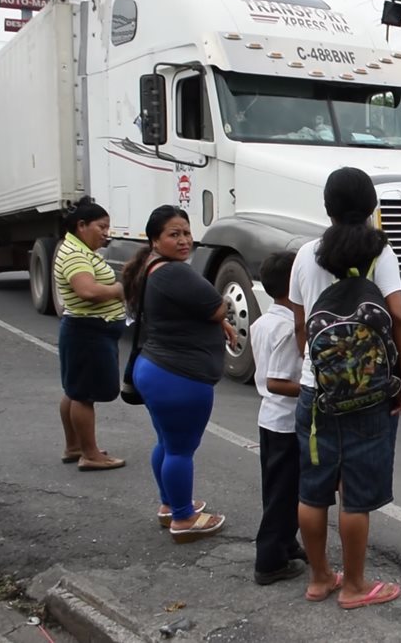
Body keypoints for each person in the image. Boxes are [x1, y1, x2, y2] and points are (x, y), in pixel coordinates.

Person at [289, 167, 401, 609]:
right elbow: (398, 318)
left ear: (327, 207)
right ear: (371, 207)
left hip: (316, 394)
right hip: (367, 394)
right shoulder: (381, 252)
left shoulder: (305, 254)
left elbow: (302, 323)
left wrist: (315, 367)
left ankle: (320, 579)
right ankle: (356, 586)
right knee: (355, 493)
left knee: (313, 487)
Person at [122, 206, 236, 543]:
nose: (184, 240)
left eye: (186, 232)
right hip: (178, 375)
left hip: (156, 370)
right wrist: (224, 310)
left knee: (168, 443)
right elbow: (215, 306)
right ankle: (184, 519)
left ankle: (171, 504)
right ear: (155, 239)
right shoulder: (175, 273)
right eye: (174, 234)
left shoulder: (150, 267)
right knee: (180, 450)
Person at [54, 196, 127, 471]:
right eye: (102, 226)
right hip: (88, 330)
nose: (106, 233)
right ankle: (90, 454)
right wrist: (121, 289)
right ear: (81, 225)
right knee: (83, 394)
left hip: (86, 329)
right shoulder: (75, 254)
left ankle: (74, 446)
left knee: (73, 391)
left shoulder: (78, 249)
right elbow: (87, 290)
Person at [250, 251, 307, 586]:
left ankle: (286, 544)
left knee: (277, 490)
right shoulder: (288, 328)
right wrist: (313, 388)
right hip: (285, 422)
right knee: (283, 495)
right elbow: (276, 381)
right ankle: (269, 560)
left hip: (268, 419)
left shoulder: (262, 322)